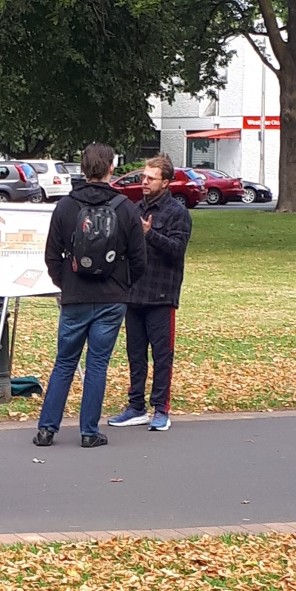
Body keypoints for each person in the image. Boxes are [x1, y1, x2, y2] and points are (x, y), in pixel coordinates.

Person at [33, 143, 146, 448]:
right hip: (112, 297)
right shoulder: (125, 207)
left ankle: (47, 429)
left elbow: (52, 255)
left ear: (82, 168)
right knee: (97, 364)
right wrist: (123, 285)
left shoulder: (65, 206)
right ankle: (89, 431)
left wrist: (65, 283)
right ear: (111, 167)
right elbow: (139, 259)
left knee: (64, 362)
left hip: (75, 295)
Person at [108, 153, 192, 432]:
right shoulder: (134, 209)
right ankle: (136, 407)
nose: (144, 182)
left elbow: (177, 250)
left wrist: (150, 234)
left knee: (162, 355)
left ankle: (161, 409)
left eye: (151, 178)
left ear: (165, 182)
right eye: (143, 177)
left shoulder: (177, 213)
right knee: (135, 354)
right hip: (134, 294)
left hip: (161, 295)